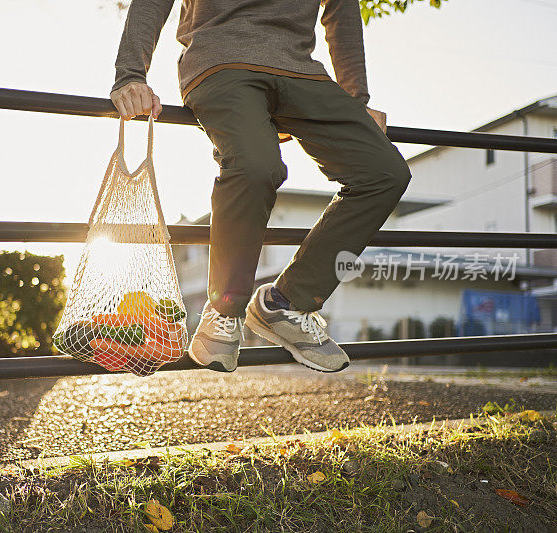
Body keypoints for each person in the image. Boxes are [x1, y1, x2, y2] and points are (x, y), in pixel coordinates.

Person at [109, 0, 411, 373]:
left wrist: (356, 99)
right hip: (220, 59)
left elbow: (343, 15)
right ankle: (222, 312)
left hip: (302, 72)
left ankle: (285, 303)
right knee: (256, 166)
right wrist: (131, 73)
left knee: (386, 172)